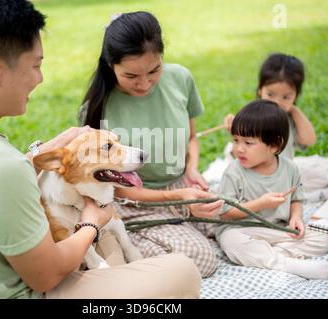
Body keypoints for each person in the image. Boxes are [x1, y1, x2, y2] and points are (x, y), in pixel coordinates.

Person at [0, 0, 202, 298]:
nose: (40, 78)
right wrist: (91, 223)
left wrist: (36, 158)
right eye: (36, 65)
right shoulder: (2, 167)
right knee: (184, 271)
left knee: (121, 253)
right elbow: (47, 276)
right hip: (30, 291)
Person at [79, 11, 223, 277]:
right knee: (199, 258)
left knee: (233, 222)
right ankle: (120, 244)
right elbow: (113, 188)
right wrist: (177, 198)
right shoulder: (97, 108)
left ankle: (170, 232)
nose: (144, 83)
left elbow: (191, 137)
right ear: (111, 65)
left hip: (181, 186)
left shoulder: (180, 78)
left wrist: (191, 171)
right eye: (131, 76)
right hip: (134, 202)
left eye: (154, 70)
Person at [217, 100, 328, 280]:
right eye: (235, 140)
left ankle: (270, 255)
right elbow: (225, 213)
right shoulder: (234, 172)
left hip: (277, 230)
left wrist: (295, 217)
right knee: (230, 240)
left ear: (275, 146)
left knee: (323, 239)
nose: (239, 148)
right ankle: (288, 264)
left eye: (248, 143)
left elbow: (296, 199)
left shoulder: (290, 169)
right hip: (243, 229)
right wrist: (261, 203)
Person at [224, 53, 316, 159]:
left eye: (286, 97)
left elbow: (309, 140)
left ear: (296, 96)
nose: (276, 102)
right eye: (270, 94)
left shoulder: (290, 119)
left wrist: (295, 111)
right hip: (254, 173)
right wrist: (235, 127)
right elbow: (240, 148)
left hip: (282, 173)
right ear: (260, 90)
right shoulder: (253, 116)